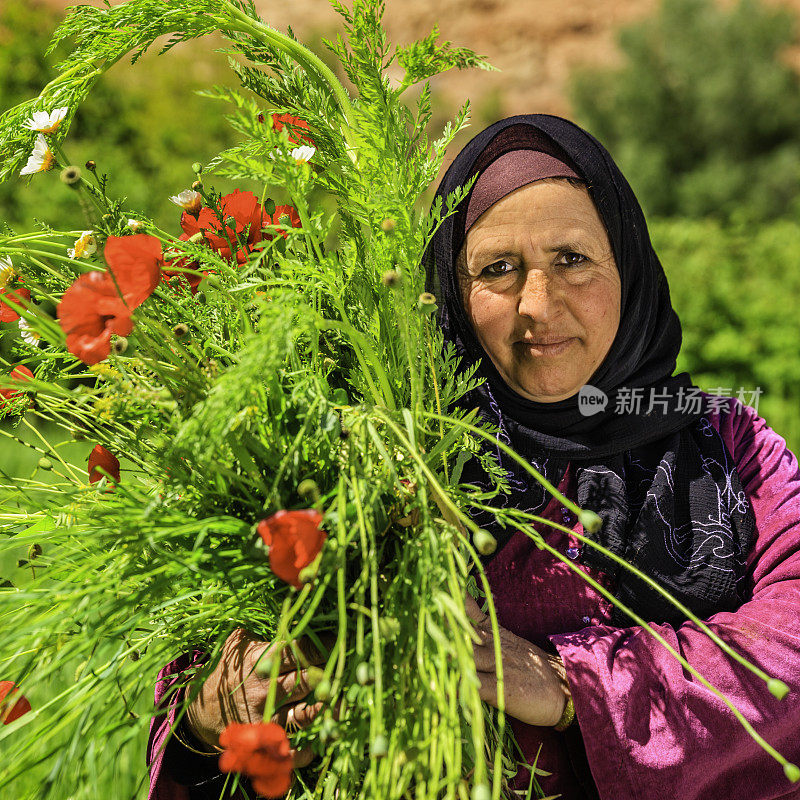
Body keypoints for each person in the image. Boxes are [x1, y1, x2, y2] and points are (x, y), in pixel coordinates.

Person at [148, 114, 800, 800]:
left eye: (573, 259)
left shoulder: (726, 443)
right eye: (498, 270)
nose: (538, 306)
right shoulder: (388, 446)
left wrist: (575, 684)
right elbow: (220, 650)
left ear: (629, 264)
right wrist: (211, 708)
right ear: (451, 296)